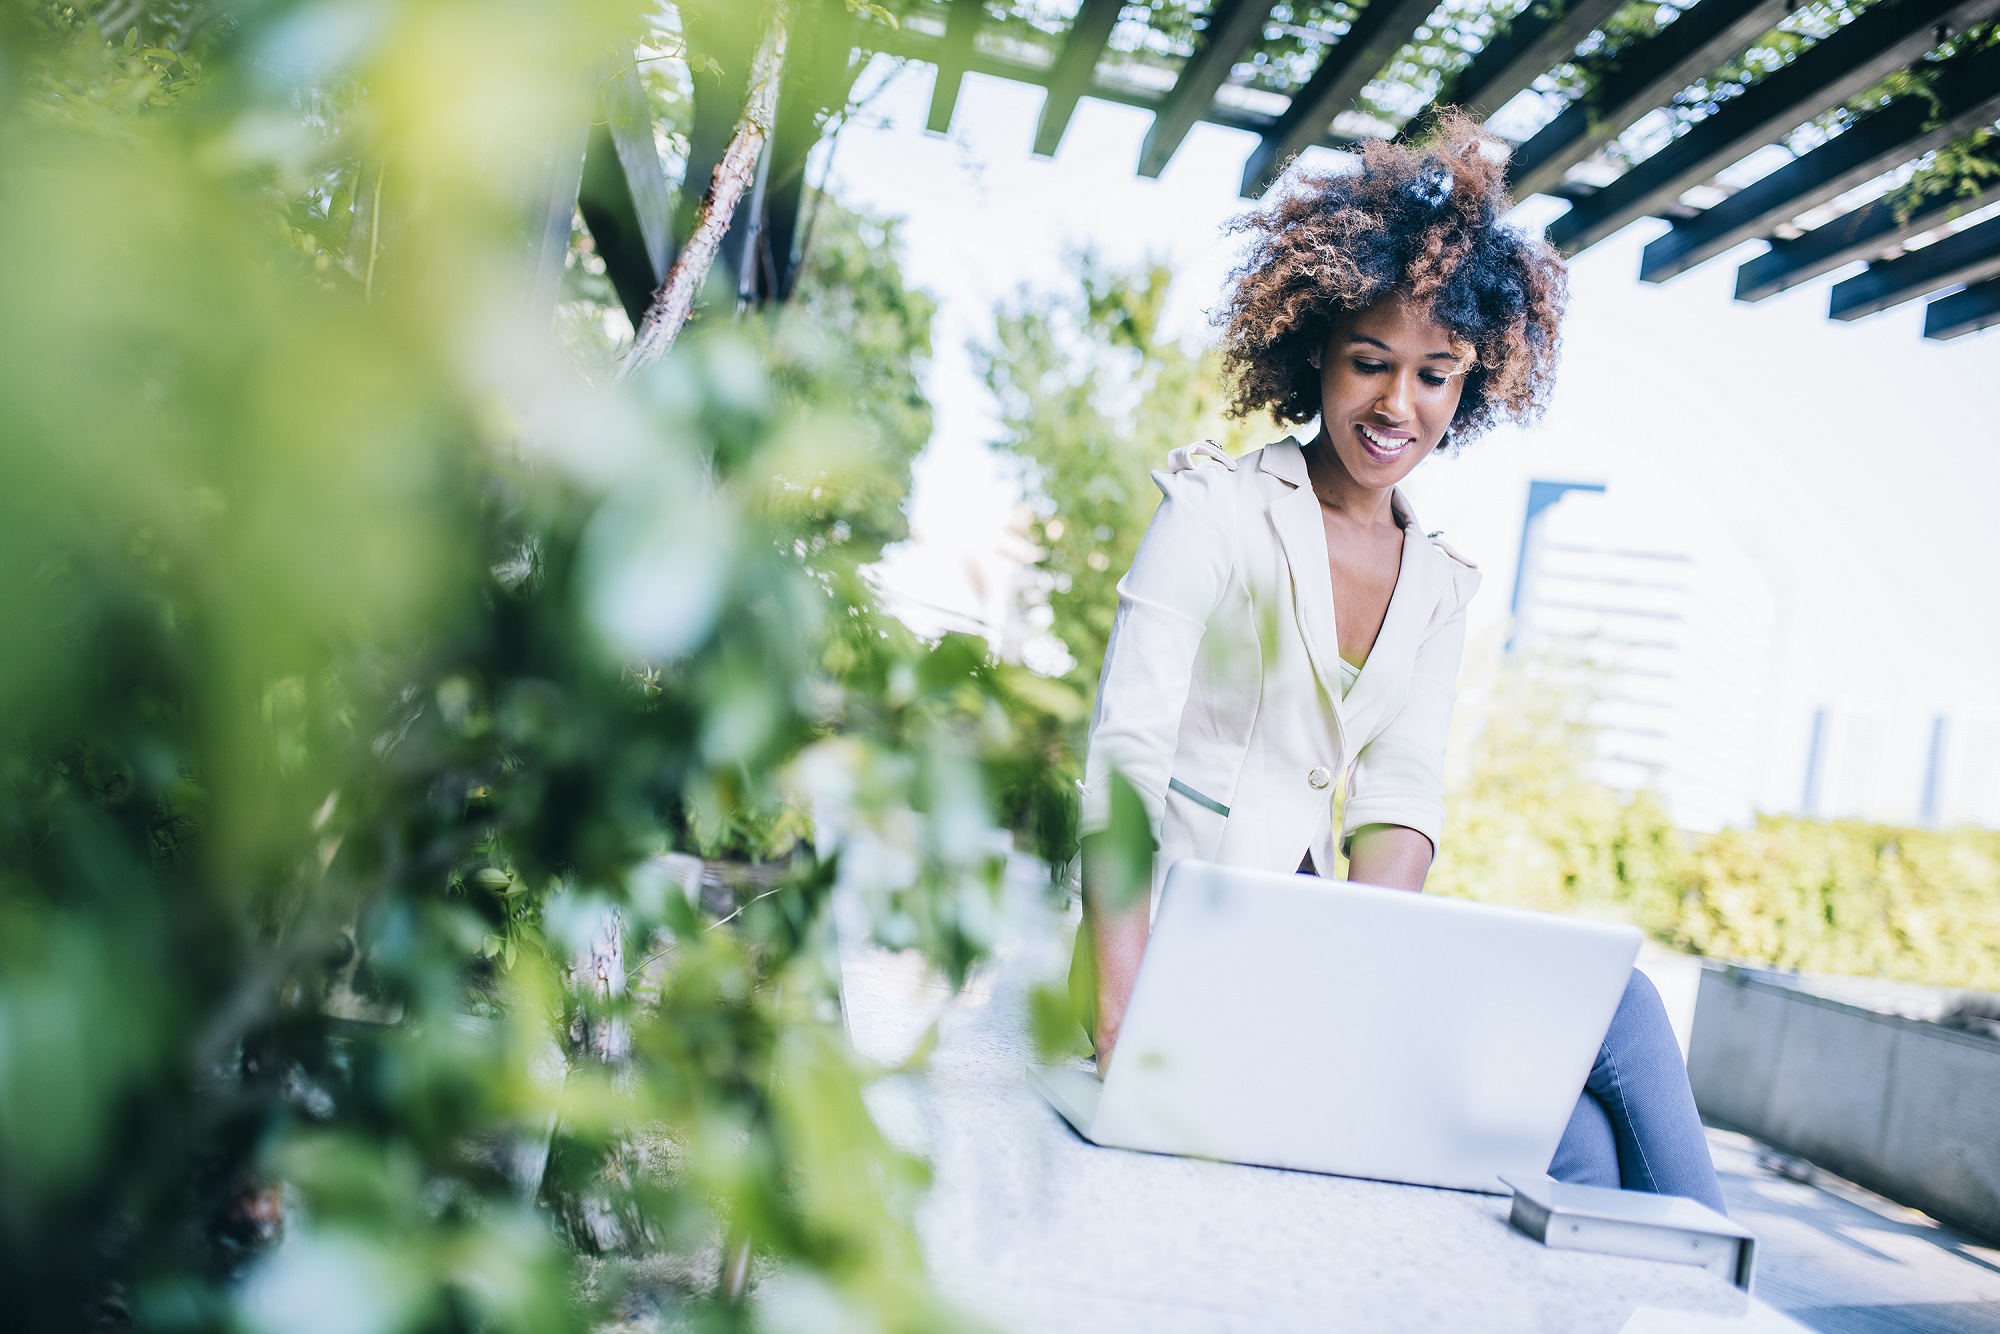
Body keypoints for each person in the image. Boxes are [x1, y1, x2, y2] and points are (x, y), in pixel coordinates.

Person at [1074, 113, 1726, 1213]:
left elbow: (1398, 793)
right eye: (1369, 363)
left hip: (1315, 966)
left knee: (1582, 1147)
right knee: (1617, 1015)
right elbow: (1124, 753)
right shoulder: (1214, 510)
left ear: (1468, 386)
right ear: (1315, 353)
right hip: (1175, 964)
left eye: (1435, 375)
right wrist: (1119, 1005)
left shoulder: (1437, 586)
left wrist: (1367, 992)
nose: (1395, 405)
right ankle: (1719, 1291)